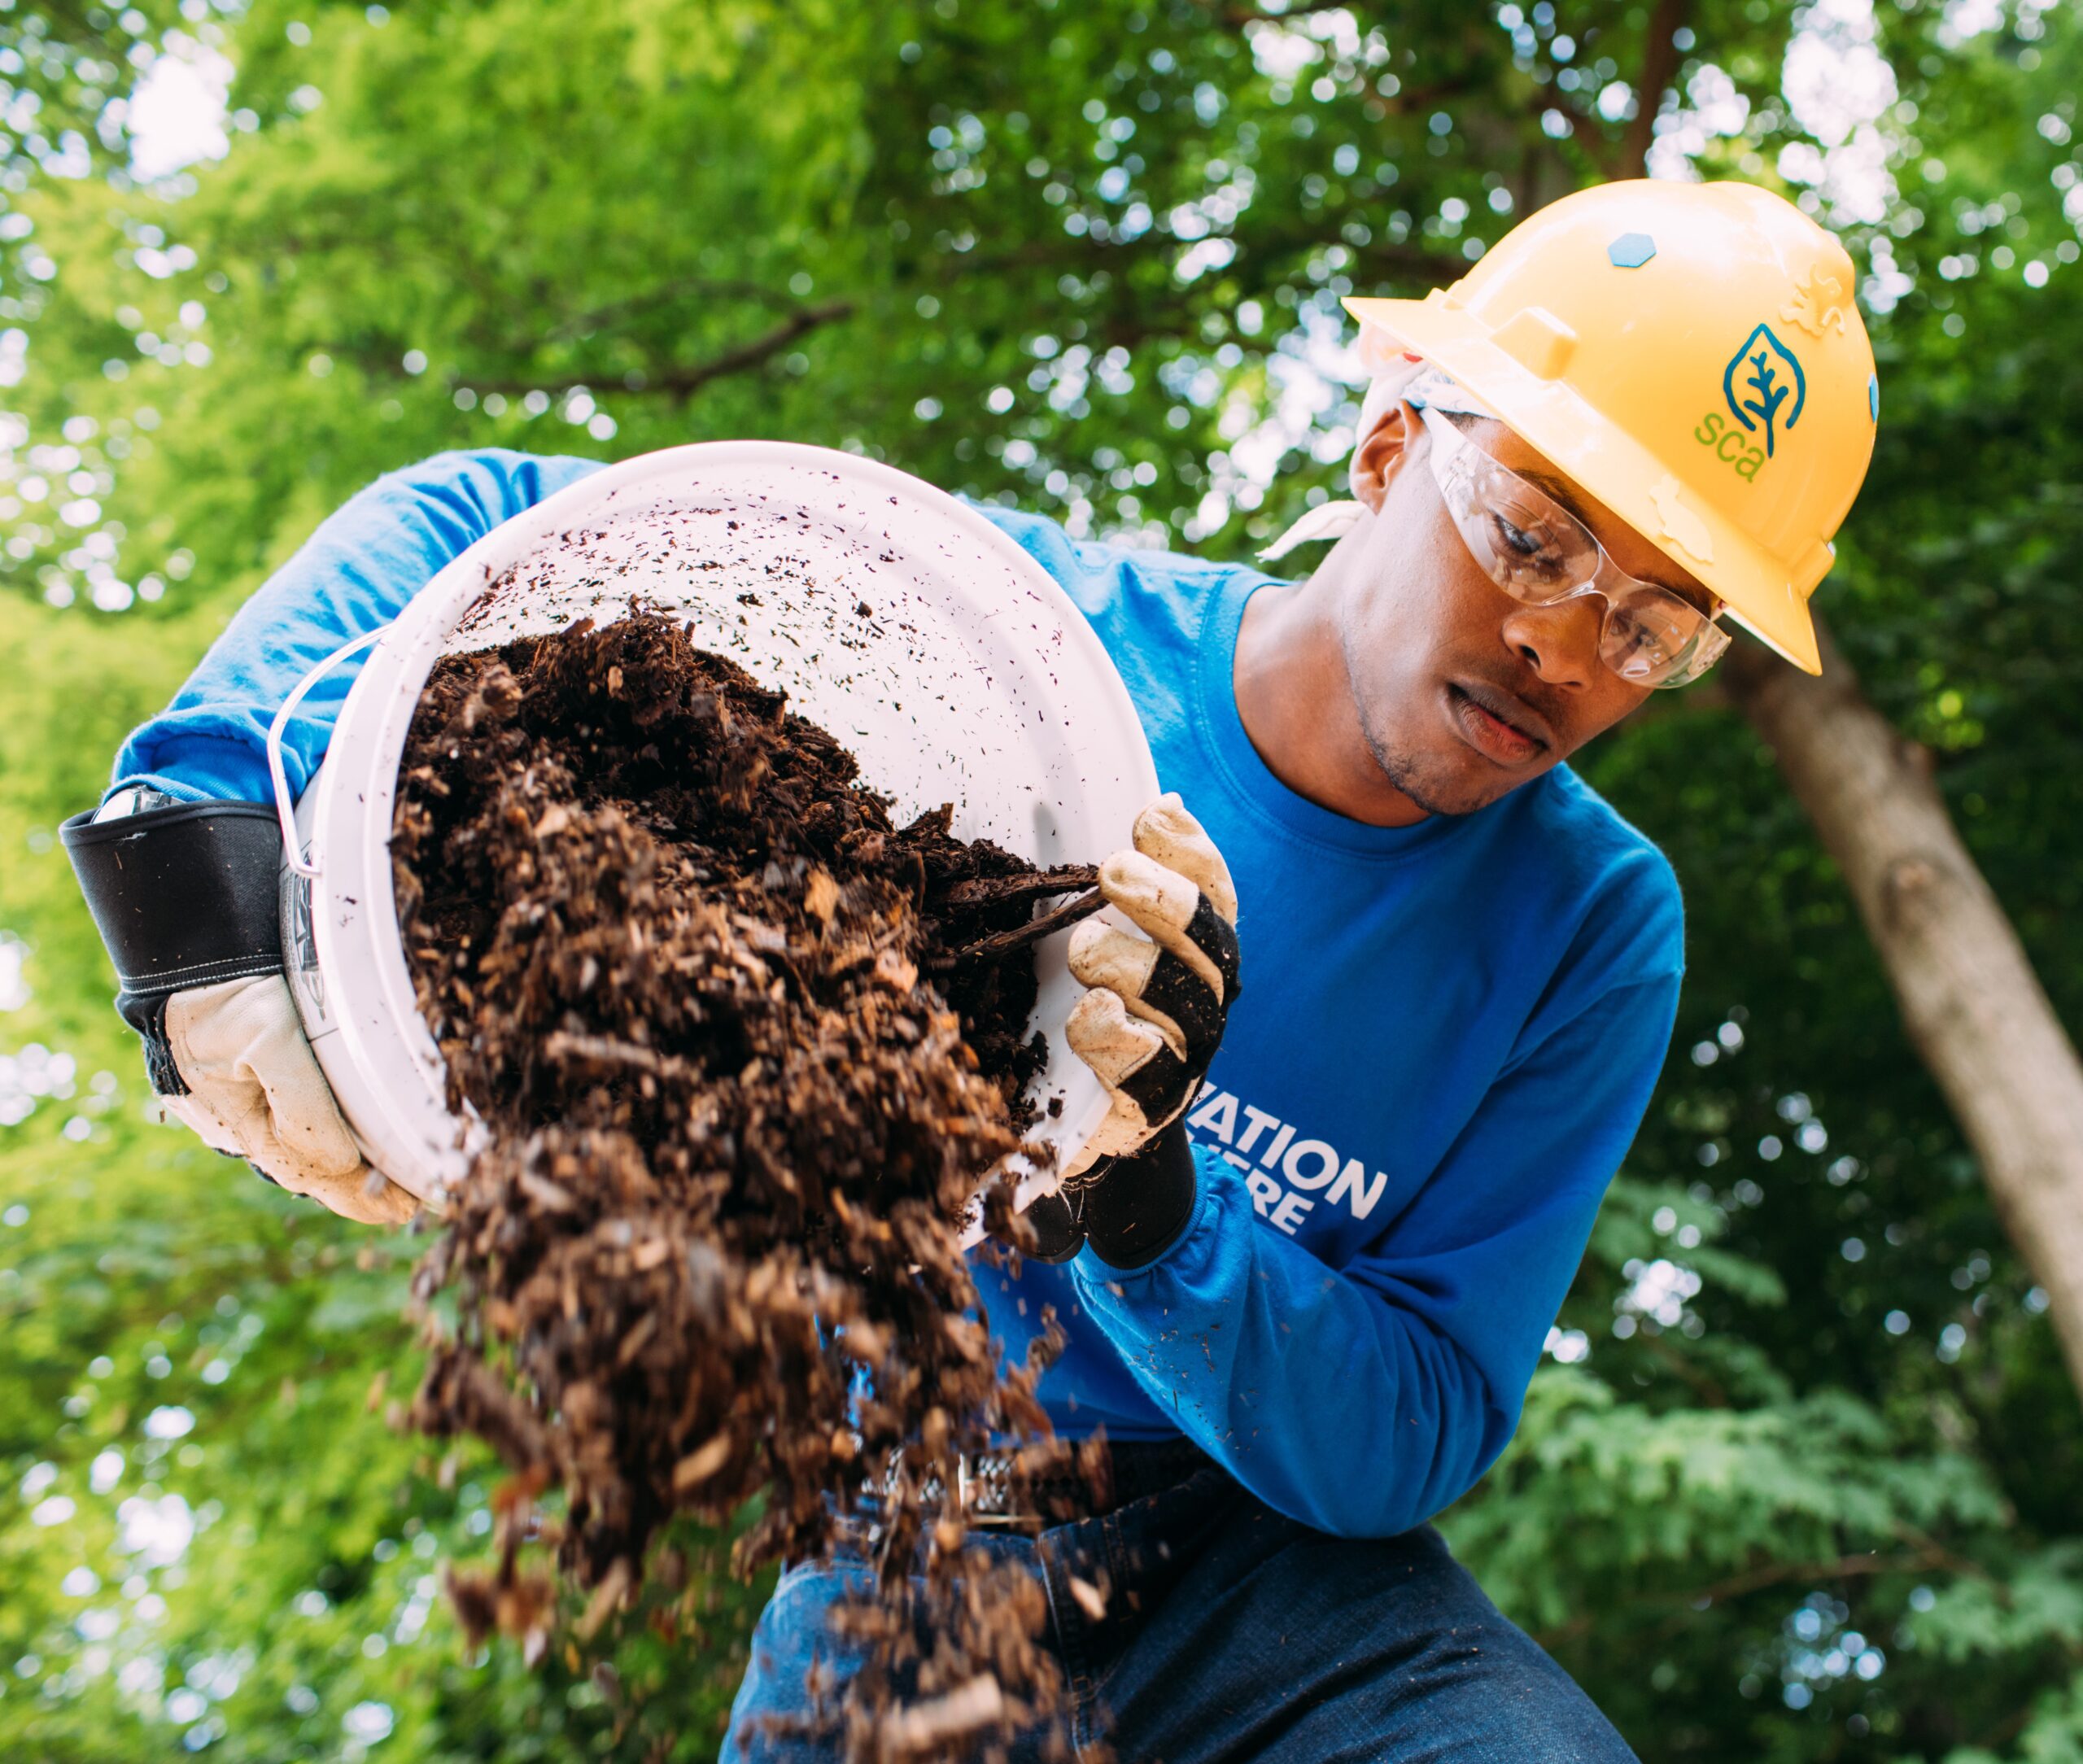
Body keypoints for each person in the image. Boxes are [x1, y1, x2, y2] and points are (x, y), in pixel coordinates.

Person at [63, 179, 1877, 1760]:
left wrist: (1148, 1195)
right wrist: (192, 862)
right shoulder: (1024, 656)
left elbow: (1406, 1431)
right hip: (902, 1551)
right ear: (1393, 447)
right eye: (1530, 534)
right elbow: (469, 514)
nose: (1560, 639)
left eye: (1649, 621)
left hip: (1276, 1595)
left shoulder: (1585, 928)